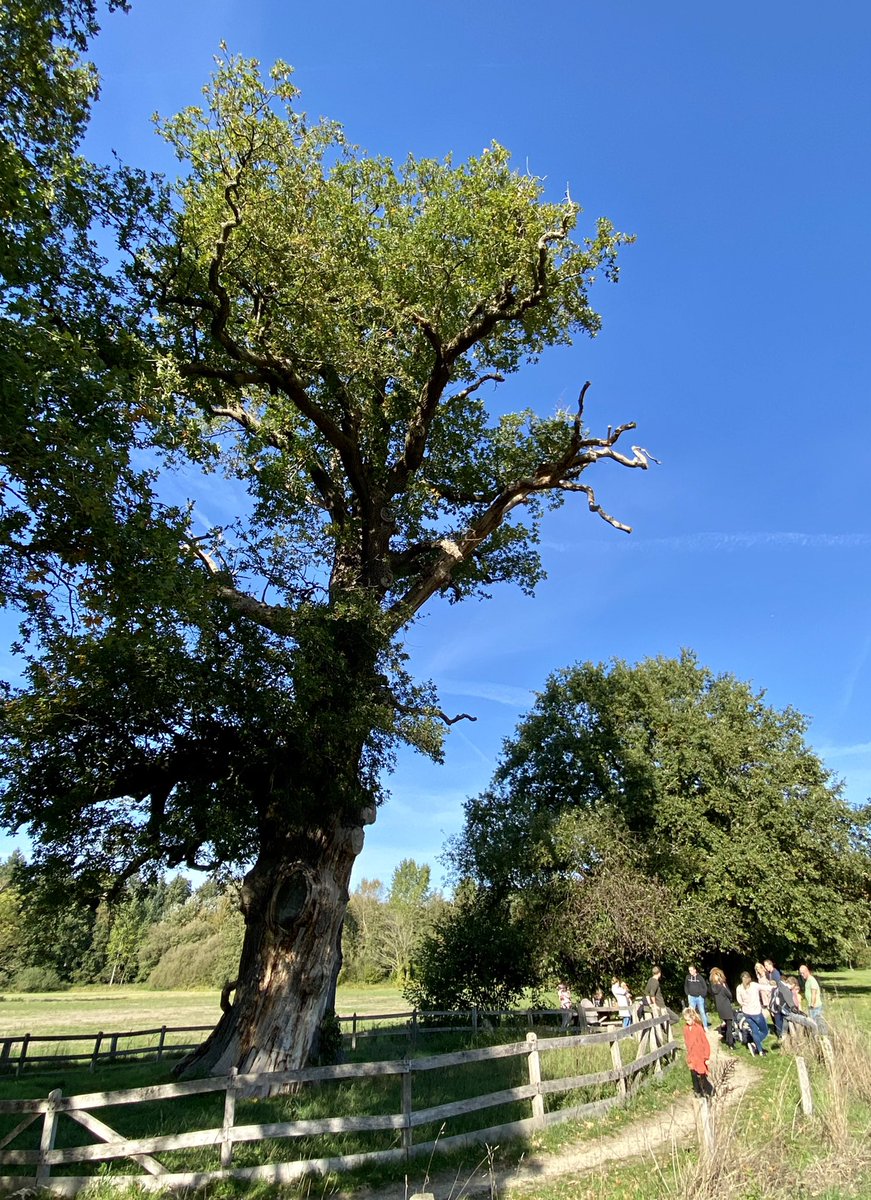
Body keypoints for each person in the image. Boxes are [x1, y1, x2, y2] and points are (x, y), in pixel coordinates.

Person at [682, 1007, 715, 1098]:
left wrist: (706, 1057)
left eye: (688, 1020)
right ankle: (697, 1091)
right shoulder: (685, 1029)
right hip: (692, 1055)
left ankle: (708, 1091)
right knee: (693, 1073)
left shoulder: (698, 1028)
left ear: (693, 1018)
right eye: (686, 1020)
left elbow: (705, 1043)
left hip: (699, 1055)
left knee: (702, 1074)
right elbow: (687, 1042)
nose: (687, 1022)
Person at [736, 969, 769, 1055]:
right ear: (749, 978)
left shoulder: (739, 988)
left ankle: (760, 1051)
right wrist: (775, 986)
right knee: (764, 1031)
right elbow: (765, 988)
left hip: (746, 1013)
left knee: (754, 1031)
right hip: (756, 1013)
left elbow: (739, 1000)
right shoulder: (753, 985)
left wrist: (744, 1004)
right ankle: (755, 1044)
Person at [709, 967, 736, 1049]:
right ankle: (730, 1043)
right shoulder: (722, 988)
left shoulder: (713, 988)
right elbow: (730, 996)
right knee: (729, 1026)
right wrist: (724, 986)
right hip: (726, 1008)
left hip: (720, 1009)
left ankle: (726, 1038)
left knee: (725, 1024)